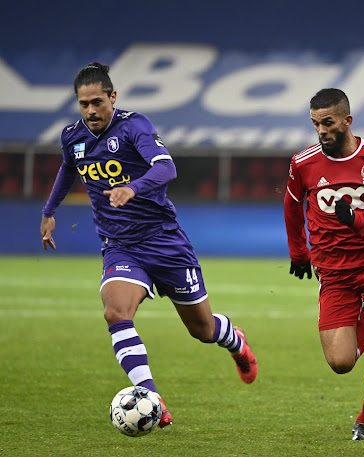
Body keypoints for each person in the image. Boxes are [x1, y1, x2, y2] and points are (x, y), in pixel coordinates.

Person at [40, 62, 258, 428]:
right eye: (83, 104)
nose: (91, 110)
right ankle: (153, 399)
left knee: (202, 330)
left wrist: (133, 187)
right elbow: (68, 167)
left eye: (97, 101)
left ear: (112, 97)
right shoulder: (72, 136)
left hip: (164, 241)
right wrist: (50, 210)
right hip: (120, 244)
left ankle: (235, 340)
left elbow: (166, 167)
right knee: (115, 312)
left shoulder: (133, 126)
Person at [284, 88, 364, 441]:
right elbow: (292, 206)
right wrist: (299, 252)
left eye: (328, 123)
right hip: (334, 272)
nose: (322, 131)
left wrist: (353, 218)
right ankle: (363, 316)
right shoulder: (302, 164)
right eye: (315, 125)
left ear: (347, 120)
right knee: (340, 363)